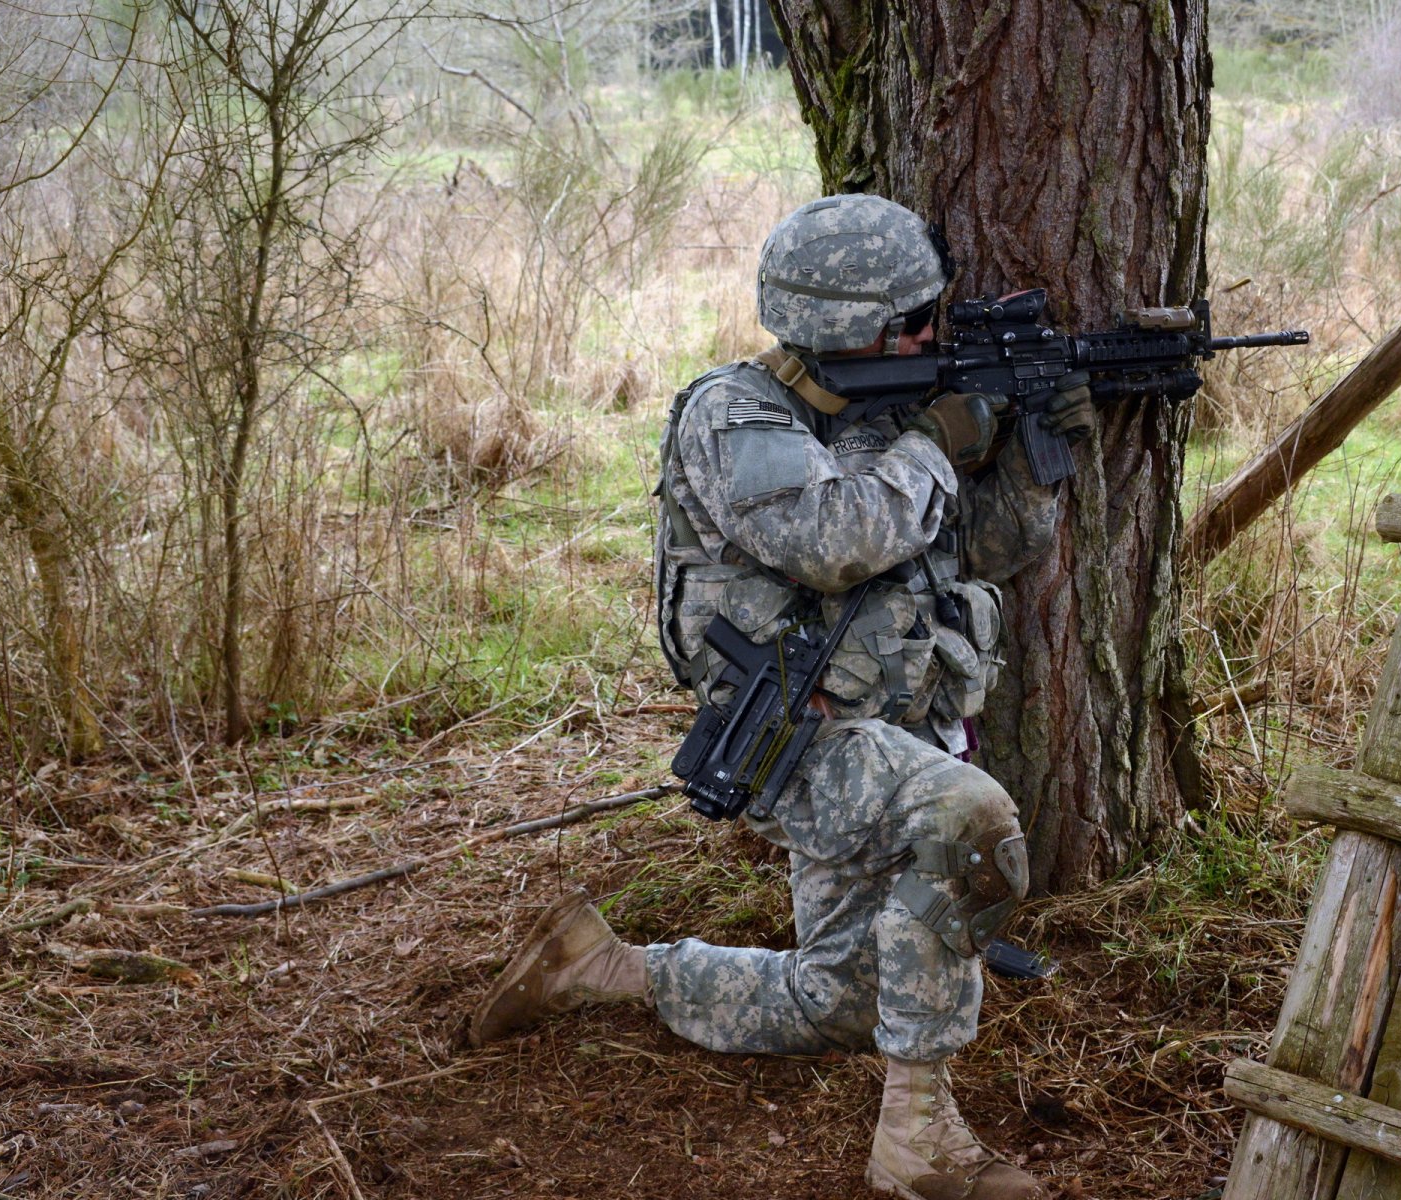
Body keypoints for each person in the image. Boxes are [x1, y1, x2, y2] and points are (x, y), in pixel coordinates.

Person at [467, 193, 1093, 1200]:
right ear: (852, 327)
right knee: (973, 822)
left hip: (889, 735)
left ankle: (603, 967)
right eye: (916, 318)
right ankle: (919, 1148)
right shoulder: (735, 414)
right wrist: (936, 441)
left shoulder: (884, 412)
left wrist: (1026, 462)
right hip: (796, 740)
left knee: (840, 1004)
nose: (934, 332)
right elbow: (835, 542)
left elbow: (979, 548)